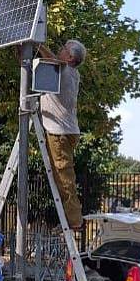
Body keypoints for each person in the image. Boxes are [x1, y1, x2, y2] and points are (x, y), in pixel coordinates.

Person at [37, 40, 87, 231]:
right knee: (62, 178)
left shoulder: (65, 70)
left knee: (64, 179)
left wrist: (37, 44)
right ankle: (69, 219)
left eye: (64, 49)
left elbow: (50, 58)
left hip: (60, 133)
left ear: (70, 57)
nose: (60, 49)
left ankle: (74, 222)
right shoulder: (73, 73)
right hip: (66, 131)